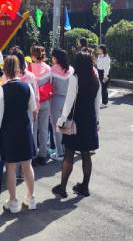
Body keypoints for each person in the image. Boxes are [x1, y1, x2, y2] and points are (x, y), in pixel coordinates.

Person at [52, 51, 101, 198]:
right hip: (90, 119)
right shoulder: (95, 78)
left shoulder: (75, 78)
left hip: (76, 120)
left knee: (69, 152)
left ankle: (62, 187)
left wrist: (62, 119)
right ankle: (84, 187)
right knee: (86, 154)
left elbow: (69, 101)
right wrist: (97, 120)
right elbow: (97, 102)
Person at [0, 55, 37, 213]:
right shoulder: (27, 87)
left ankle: (13, 202)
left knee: (10, 167)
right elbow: (33, 108)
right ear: (18, 69)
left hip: (8, 131)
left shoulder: (2, 89)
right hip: (25, 129)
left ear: (5, 71)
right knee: (27, 165)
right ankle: (31, 199)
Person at [28, 46, 52, 166]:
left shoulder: (28, 68)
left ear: (33, 55)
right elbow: (51, 84)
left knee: (33, 129)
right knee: (44, 129)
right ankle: (43, 154)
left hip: (32, 103)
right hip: (45, 101)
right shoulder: (48, 68)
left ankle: (32, 156)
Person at [50, 48, 74, 160]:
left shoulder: (52, 69)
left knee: (57, 128)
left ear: (56, 58)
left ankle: (60, 153)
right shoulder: (71, 69)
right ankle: (67, 150)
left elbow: (50, 85)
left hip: (56, 100)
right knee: (66, 126)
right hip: (68, 100)